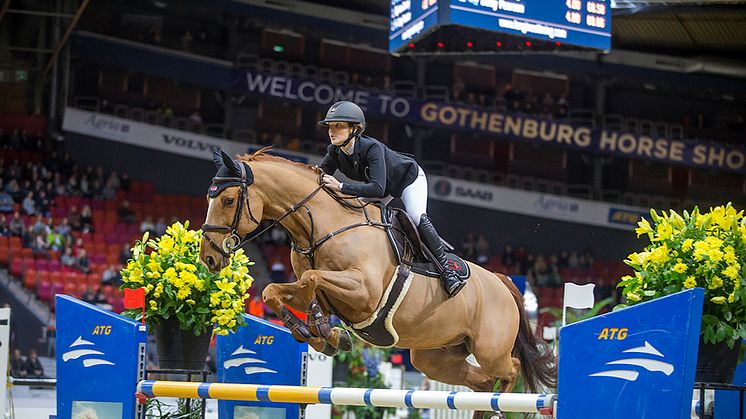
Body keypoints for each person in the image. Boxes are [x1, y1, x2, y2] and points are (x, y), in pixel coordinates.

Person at [317, 101, 465, 297]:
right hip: (383, 186)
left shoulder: (372, 148)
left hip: (408, 179)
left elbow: (378, 189)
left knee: (416, 216)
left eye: (338, 126)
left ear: (354, 129)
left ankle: (448, 273)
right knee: (355, 212)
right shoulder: (334, 151)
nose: (331, 131)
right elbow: (318, 174)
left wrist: (341, 187)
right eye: (330, 126)